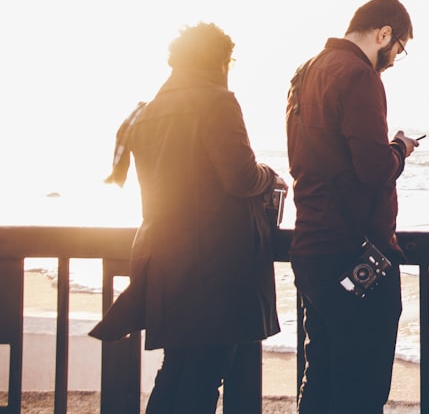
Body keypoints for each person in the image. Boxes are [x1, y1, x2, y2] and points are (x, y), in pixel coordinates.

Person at [90, 22, 287, 414]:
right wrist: (270, 174)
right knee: (204, 374)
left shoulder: (147, 112)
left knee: (178, 368)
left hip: (166, 262)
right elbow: (241, 177)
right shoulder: (216, 100)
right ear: (219, 60)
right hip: (213, 269)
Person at [286, 0, 421, 414]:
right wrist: (399, 148)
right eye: (398, 48)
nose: (395, 60)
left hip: (312, 247)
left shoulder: (306, 71)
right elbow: (373, 169)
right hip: (355, 254)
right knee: (362, 385)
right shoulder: (360, 76)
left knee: (322, 374)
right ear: (384, 34)